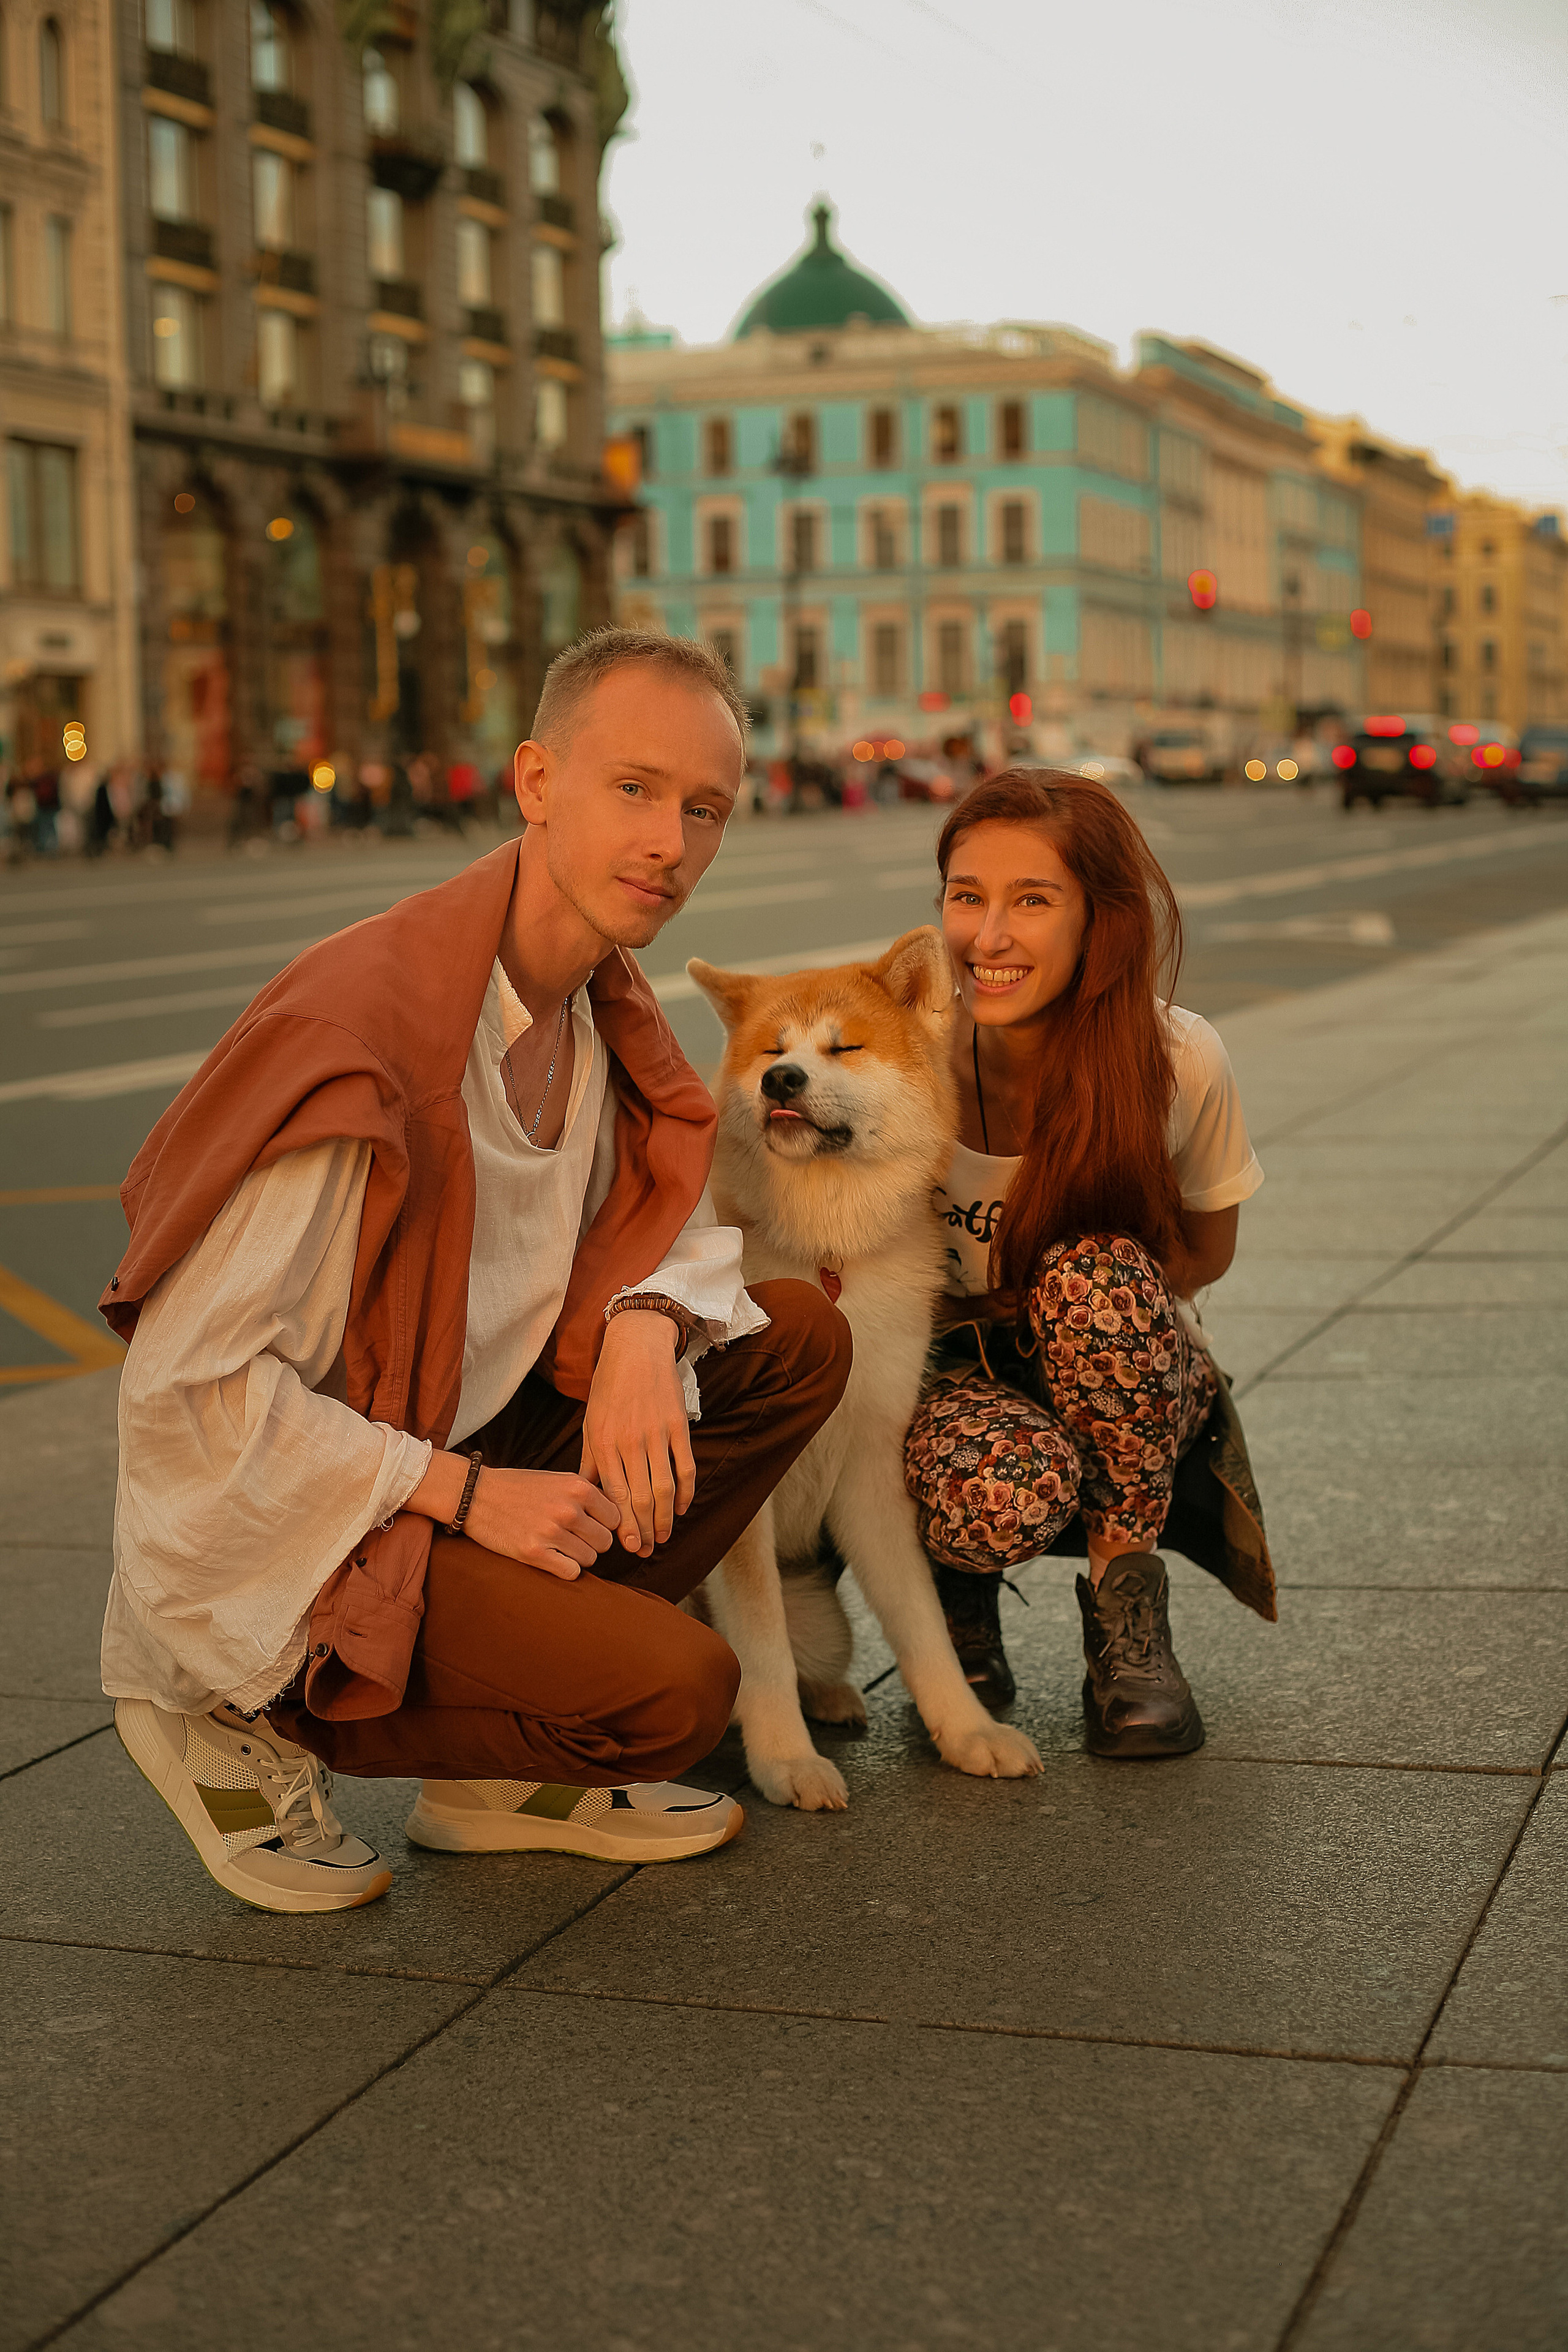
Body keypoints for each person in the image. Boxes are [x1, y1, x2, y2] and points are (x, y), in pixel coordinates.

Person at [100, 629, 851, 1915]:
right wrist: (461, 1496)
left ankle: (494, 1781)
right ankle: (233, 1722)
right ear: (534, 781)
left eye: (703, 808)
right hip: (296, 1539)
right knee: (676, 1696)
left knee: (792, 1339)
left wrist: (642, 1328)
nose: (670, 841)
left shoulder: (598, 1009)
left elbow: (655, 1218)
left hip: (462, 1447)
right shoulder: (375, 1037)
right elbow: (189, 1396)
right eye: (633, 789)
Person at [902, 769, 1274, 1757]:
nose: (988, 936)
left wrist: (1087, 1311)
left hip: (1123, 1367)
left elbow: (1201, 1259)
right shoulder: (905, 1049)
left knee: (1097, 1272)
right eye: (966, 896)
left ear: (1098, 920)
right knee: (1005, 1491)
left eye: (1032, 901)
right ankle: (956, 1605)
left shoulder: (1175, 1059)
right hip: (945, 1380)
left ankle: (1128, 1627)